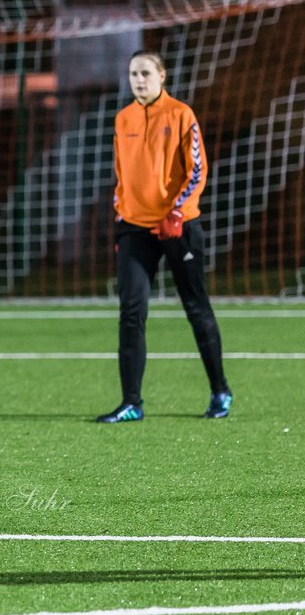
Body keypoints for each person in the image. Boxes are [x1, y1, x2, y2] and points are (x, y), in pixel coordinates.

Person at [97, 50, 233, 423]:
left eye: (145, 73)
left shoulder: (180, 114)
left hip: (178, 225)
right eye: (133, 74)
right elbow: (122, 176)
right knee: (131, 312)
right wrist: (122, 218)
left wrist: (176, 212)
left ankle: (220, 390)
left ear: (161, 76)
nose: (138, 80)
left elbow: (197, 171)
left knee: (195, 306)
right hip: (135, 228)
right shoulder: (122, 118)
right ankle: (131, 403)